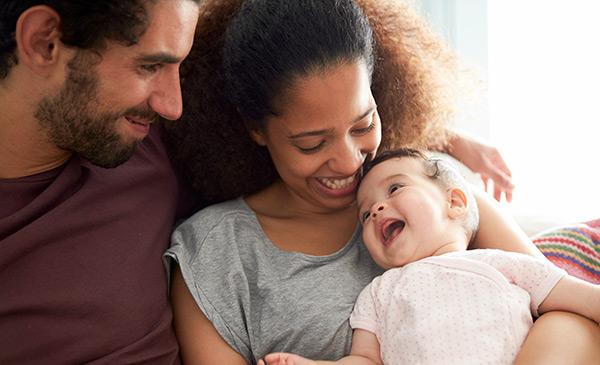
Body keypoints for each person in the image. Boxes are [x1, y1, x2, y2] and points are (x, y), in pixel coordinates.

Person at [165, 0, 600, 364]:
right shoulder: (214, 254)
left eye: (363, 124)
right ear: (255, 130)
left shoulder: (427, 189)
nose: (350, 160)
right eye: (312, 144)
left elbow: (567, 314)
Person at [259, 148, 600, 365]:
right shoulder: (378, 293)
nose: (376, 209)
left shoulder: (498, 263)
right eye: (364, 215)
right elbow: (364, 360)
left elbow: (582, 297)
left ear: (455, 202)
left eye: (395, 189)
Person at [0, 1, 201, 363]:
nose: (173, 106)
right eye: (150, 66)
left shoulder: (153, 141)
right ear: (43, 41)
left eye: (178, 69)